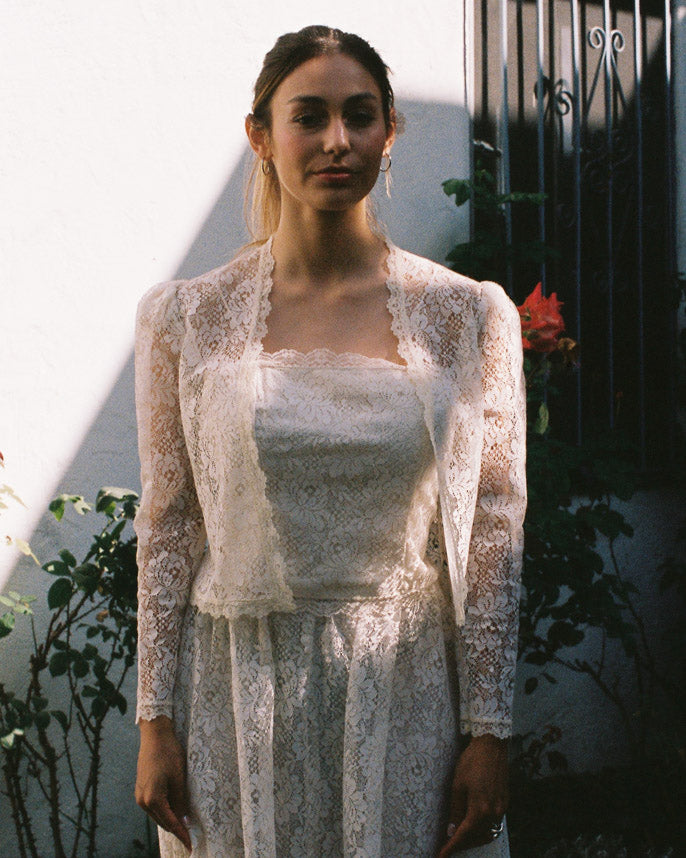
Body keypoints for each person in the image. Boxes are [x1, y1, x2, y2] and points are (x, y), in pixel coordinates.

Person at [133, 25, 526, 858]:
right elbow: (168, 528)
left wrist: (489, 727)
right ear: (262, 137)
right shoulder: (186, 318)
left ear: (390, 133)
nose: (335, 140)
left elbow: (496, 527)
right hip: (239, 698)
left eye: (360, 115)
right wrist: (155, 720)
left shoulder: (468, 317)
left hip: (406, 691)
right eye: (308, 116)